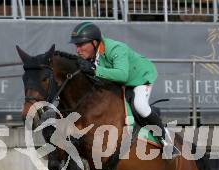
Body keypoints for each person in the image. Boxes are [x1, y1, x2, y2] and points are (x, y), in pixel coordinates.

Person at [69, 22, 180, 157]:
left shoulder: (115, 48)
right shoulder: (91, 55)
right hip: (121, 82)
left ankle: (167, 140)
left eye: (81, 45)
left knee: (140, 106)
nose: (77, 50)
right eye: (76, 45)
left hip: (140, 78)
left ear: (94, 42)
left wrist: (94, 70)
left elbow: (122, 75)